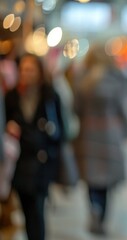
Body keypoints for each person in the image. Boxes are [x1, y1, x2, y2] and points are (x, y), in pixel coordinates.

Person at [4, 53, 64, 240]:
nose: (25, 73)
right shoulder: (12, 96)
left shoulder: (49, 95)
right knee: (26, 208)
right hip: (19, 162)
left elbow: (61, 130)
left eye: (30, 69)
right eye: (22, 69)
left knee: (37, 211)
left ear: (39, 71)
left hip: (42, 162)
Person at [72, 43, 127, 236]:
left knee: (91, 179)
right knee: (106, 181)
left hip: (88, 134)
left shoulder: (82, 79)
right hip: (110, 133)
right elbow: (123, 108)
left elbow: (76, 108)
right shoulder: (116, 78)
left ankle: (94, 207)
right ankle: (102, 215)